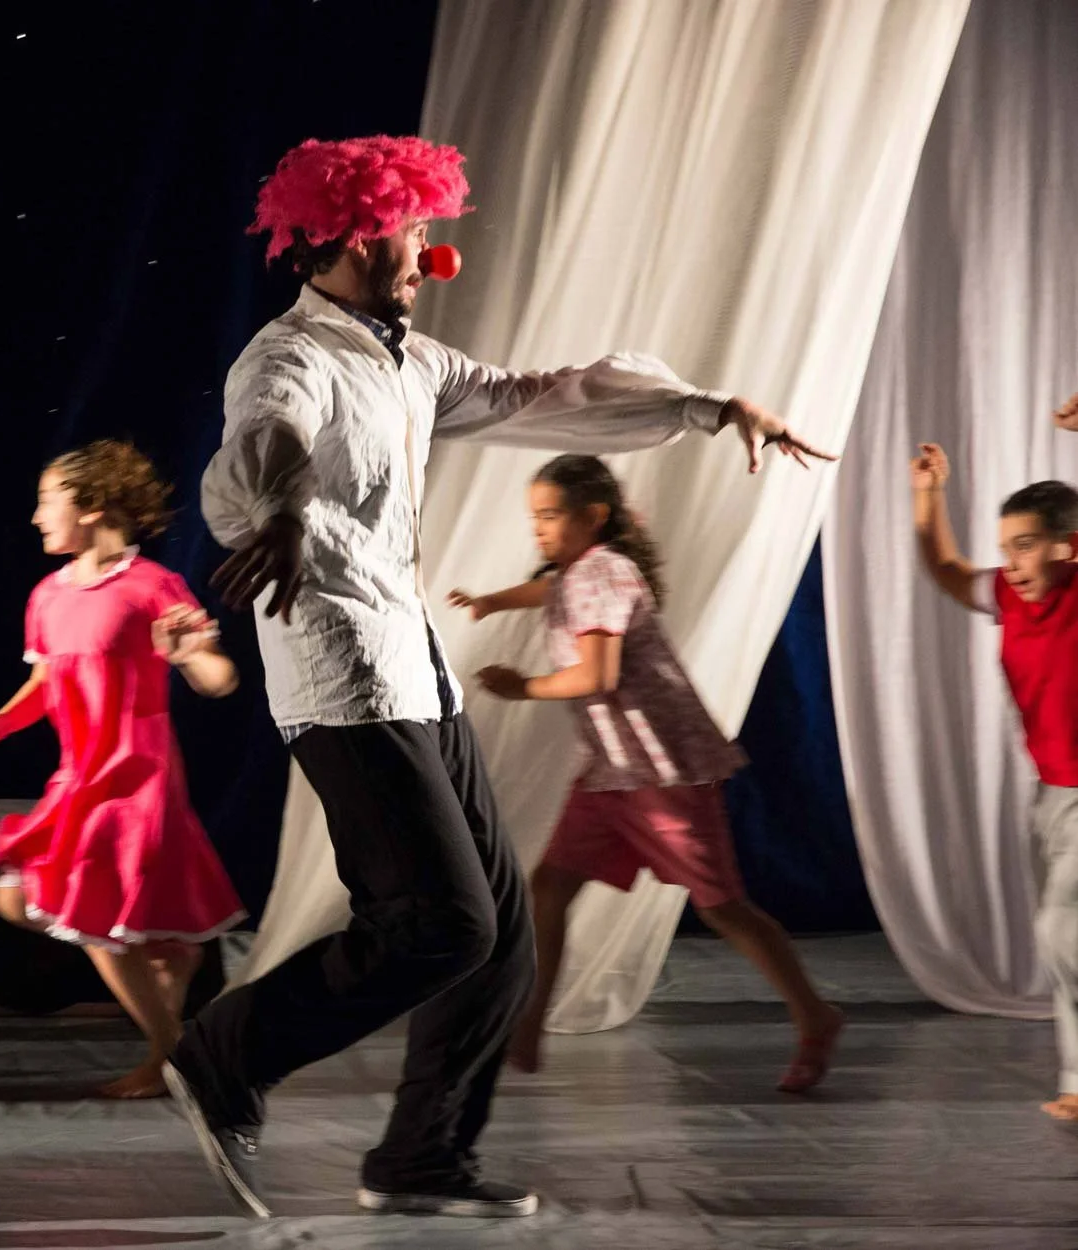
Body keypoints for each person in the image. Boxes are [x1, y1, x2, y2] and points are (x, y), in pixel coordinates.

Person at [160, 134, 835, 1221]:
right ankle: (224, 1053)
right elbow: (263, 442)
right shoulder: (288, 359)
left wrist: (714, 408)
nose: (427, 253)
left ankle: (422, 1156)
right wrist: (276, 509)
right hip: (343, 677)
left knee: (502, 938)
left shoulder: (412, 363)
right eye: (410, 232)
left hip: (414, 669)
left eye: (428, 231)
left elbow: (546, 395)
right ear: (343, 236)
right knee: (438, 922)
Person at [452, 454, 843, 1092]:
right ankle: (526, 1022)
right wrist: (494, 601)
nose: (539, 529)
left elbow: (597, 675)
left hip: (663, 773)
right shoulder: (577, 572)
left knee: (724, 909)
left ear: (594, 516)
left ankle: (814, 1015)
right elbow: (548, 589)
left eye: (550, 516)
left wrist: (524, 687)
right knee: (548, 886)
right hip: (612, 772)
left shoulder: (603, 572)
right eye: (535, 517)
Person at [0, 439, 247, 1100]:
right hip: (78, 776)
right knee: (16, 895)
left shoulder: (152, 588)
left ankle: (172, 1054)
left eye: (45, 502)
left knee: (93, 914)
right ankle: (169, 1024)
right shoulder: (46, 596)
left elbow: (218, 676)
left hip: (136, 779)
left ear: (88, 507)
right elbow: (45, 682)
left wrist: (186, 657)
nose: (35, 517)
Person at [910, 442, 1078, 1121]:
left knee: (1060, 928)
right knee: (1064, 935)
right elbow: (946, 571)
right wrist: (927, 496)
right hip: (1052, 793)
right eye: (1006, 546)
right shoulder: (1009, 596)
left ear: (1068, 547)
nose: (1011, 562)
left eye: (1027, 546)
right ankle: (1074, 1082)